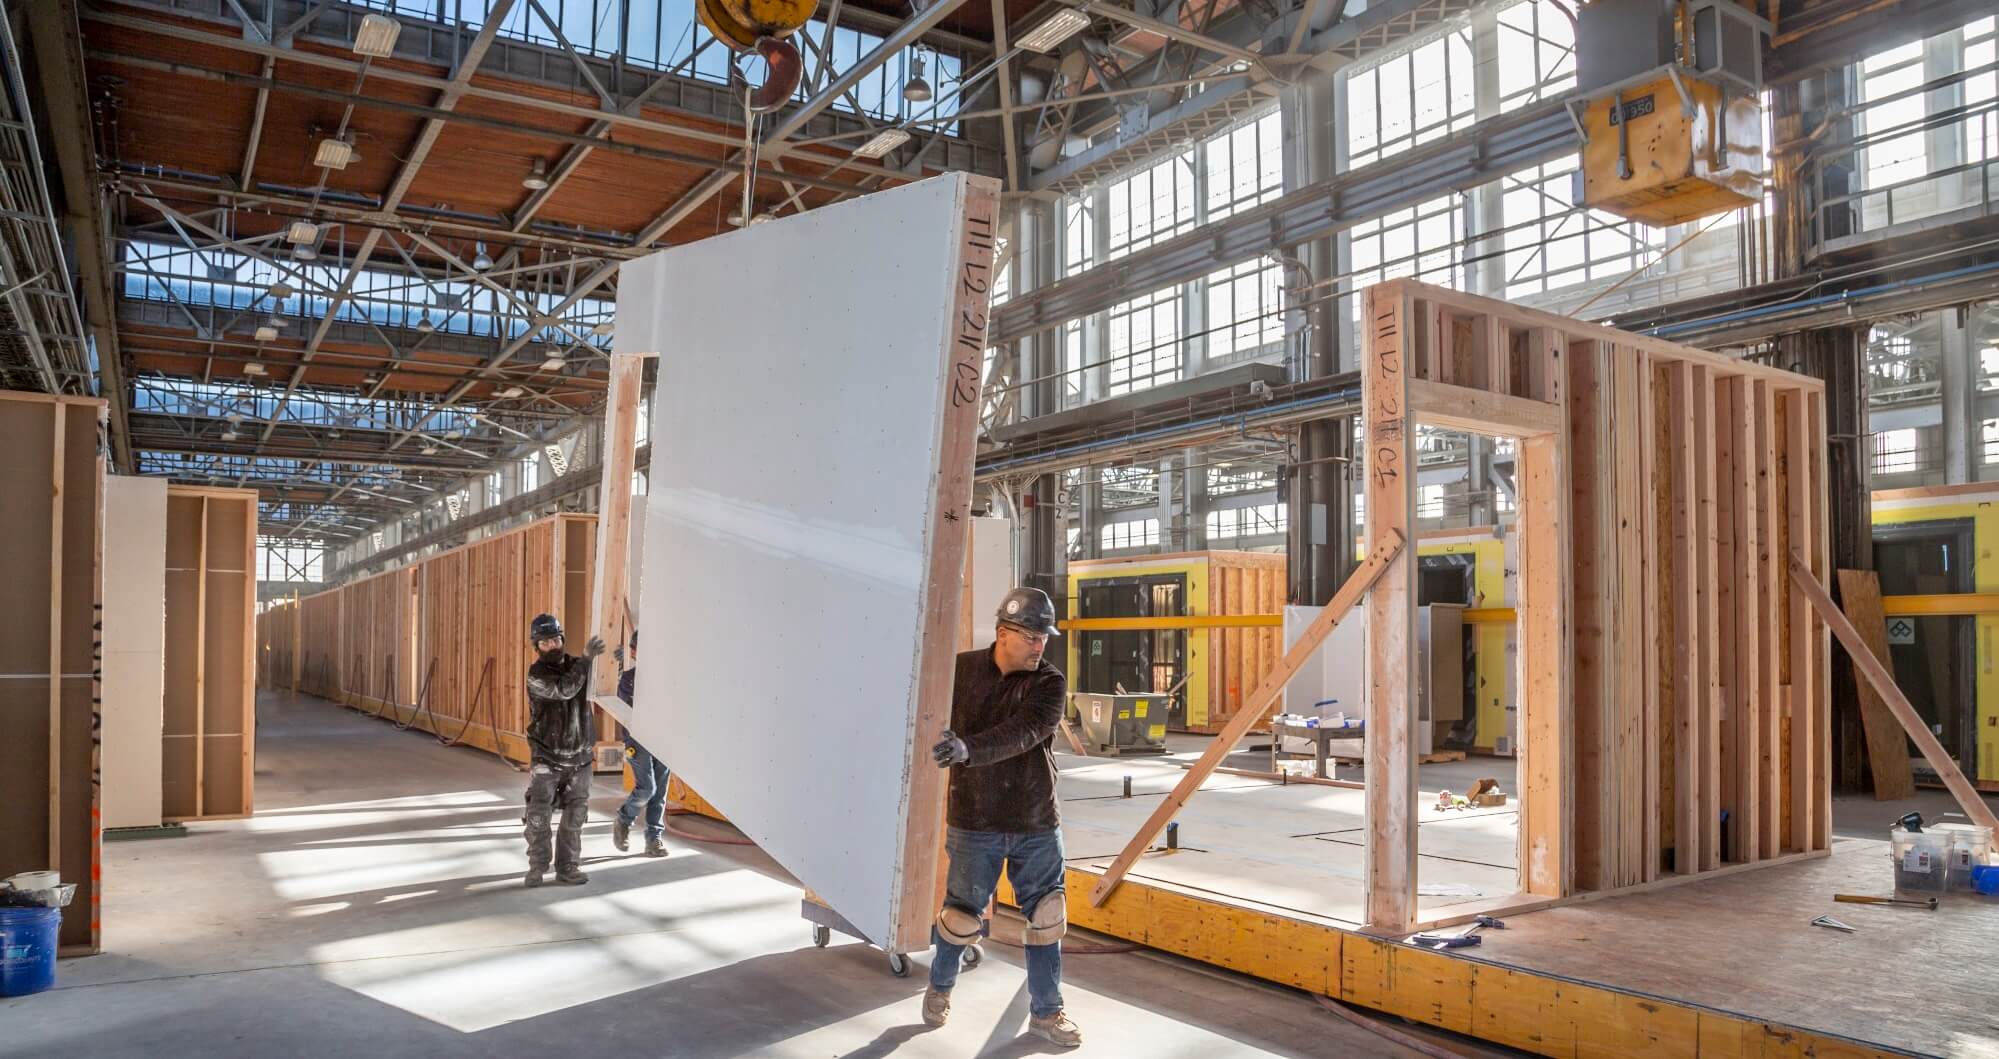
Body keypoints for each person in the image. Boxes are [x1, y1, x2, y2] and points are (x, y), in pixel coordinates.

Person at [922, 587, 1081, 1049]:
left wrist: (968, 748)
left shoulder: (1049, 682)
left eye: (1043, 637)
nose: (1039, 646)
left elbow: (1026, 731)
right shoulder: (960, 672)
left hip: (1035, 818)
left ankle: (1047, 1015)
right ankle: (939, 988)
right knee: (960, 916)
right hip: (975, 819)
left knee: (1048, 915)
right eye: (1030, 636)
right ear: (1002, 633)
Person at [522, 613, 604, 888]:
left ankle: (568, 867)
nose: (553, 645)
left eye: (556, 639)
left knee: (575, 816)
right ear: (537, 646)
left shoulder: (577, 665)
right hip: (547, 757)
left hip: (580, 757)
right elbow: (565, 690)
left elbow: (600, 681)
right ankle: (537, 866)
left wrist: (612, 660)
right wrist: (587, 660)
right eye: (545, 642)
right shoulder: (537, 676)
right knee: (538, 816)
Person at [611, 630, 670, 859]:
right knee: (647, 789)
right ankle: (624, 819)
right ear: (633, 652)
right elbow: (625, 712)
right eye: (637, 649)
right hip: (638, 740)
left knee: (660, 793)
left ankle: (654, 839)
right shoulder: (628, 679)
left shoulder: (666, 677)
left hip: (664, 738)